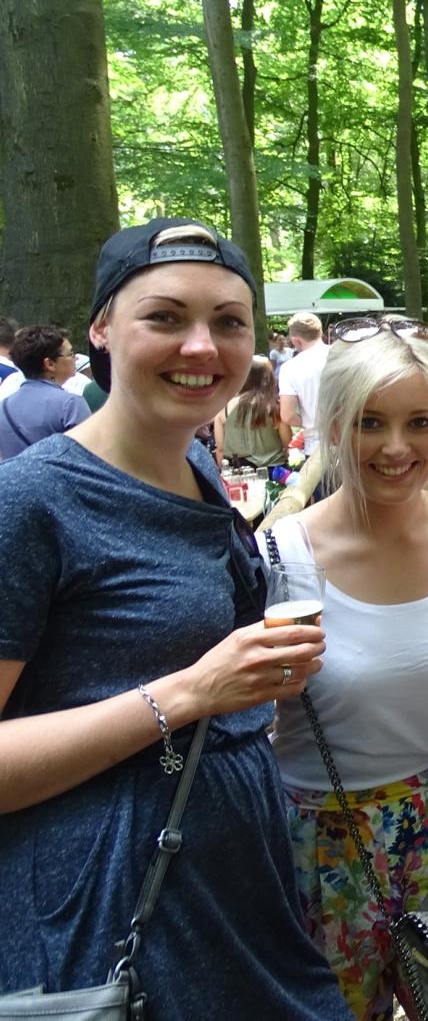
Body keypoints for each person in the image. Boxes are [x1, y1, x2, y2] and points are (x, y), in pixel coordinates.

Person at [0, 219, 346, 1016]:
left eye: (229, 321)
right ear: (100, 329)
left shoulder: (195, 463)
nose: (202, 346)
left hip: (239, 888)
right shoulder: (32, 503)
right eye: (165, 317)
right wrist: (187, 694)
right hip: (114, 919)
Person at [262, 316, 428, 1021]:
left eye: (420, 422)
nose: (396, 447)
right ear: (333, 425)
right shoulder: (279, 557)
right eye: (370, 422)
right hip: (321, 842)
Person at [0, 325, 91, 459]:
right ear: (50, 364)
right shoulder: (70, 404)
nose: (75, 358)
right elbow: (91, 456)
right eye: (70, 353)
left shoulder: (3, 407)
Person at [218, 354, 291, 467]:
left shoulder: (225, 406)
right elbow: (287, 444)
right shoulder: (275, 405)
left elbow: (220, 449)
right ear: (269, 378)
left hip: (236, 470)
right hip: (273, 469)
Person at [279, 311, 330, 456]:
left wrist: (310, 422)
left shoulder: (290, 368)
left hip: (316, 445)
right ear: (320, 332)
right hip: (352, 441)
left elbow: (287, 415)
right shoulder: (344, 356)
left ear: (296, 341)